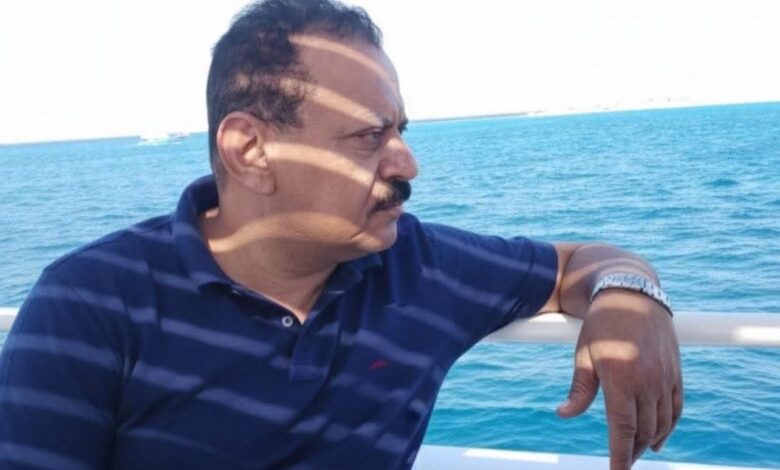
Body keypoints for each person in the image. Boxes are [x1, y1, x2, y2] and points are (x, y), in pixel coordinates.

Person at [0, 0, 682, 468]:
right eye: (368, 136)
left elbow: (579, 263)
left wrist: (629, 295)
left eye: (400, 131)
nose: (408, 164)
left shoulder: (418, 265)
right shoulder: (90, 303)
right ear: (250, 151)